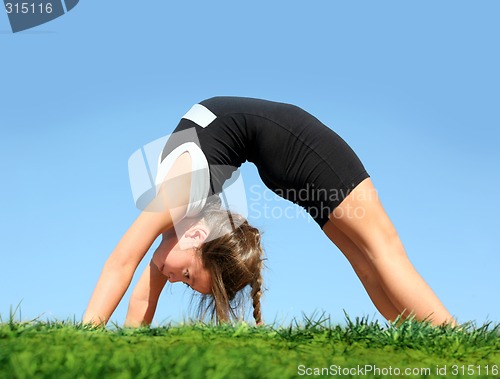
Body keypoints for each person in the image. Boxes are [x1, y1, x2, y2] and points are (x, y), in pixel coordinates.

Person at [83, 96, 456, 327]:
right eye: (184, 277)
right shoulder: (182, 230)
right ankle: (437, 345)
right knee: (372, 255)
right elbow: (144, 293)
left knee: (378, 252)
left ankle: (450, 344)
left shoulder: (180, 199)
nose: (170, 276)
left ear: (198, 238)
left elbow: (122, 262)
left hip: (295, 143)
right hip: (280, 156)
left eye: (183, 275)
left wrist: (88, 339)